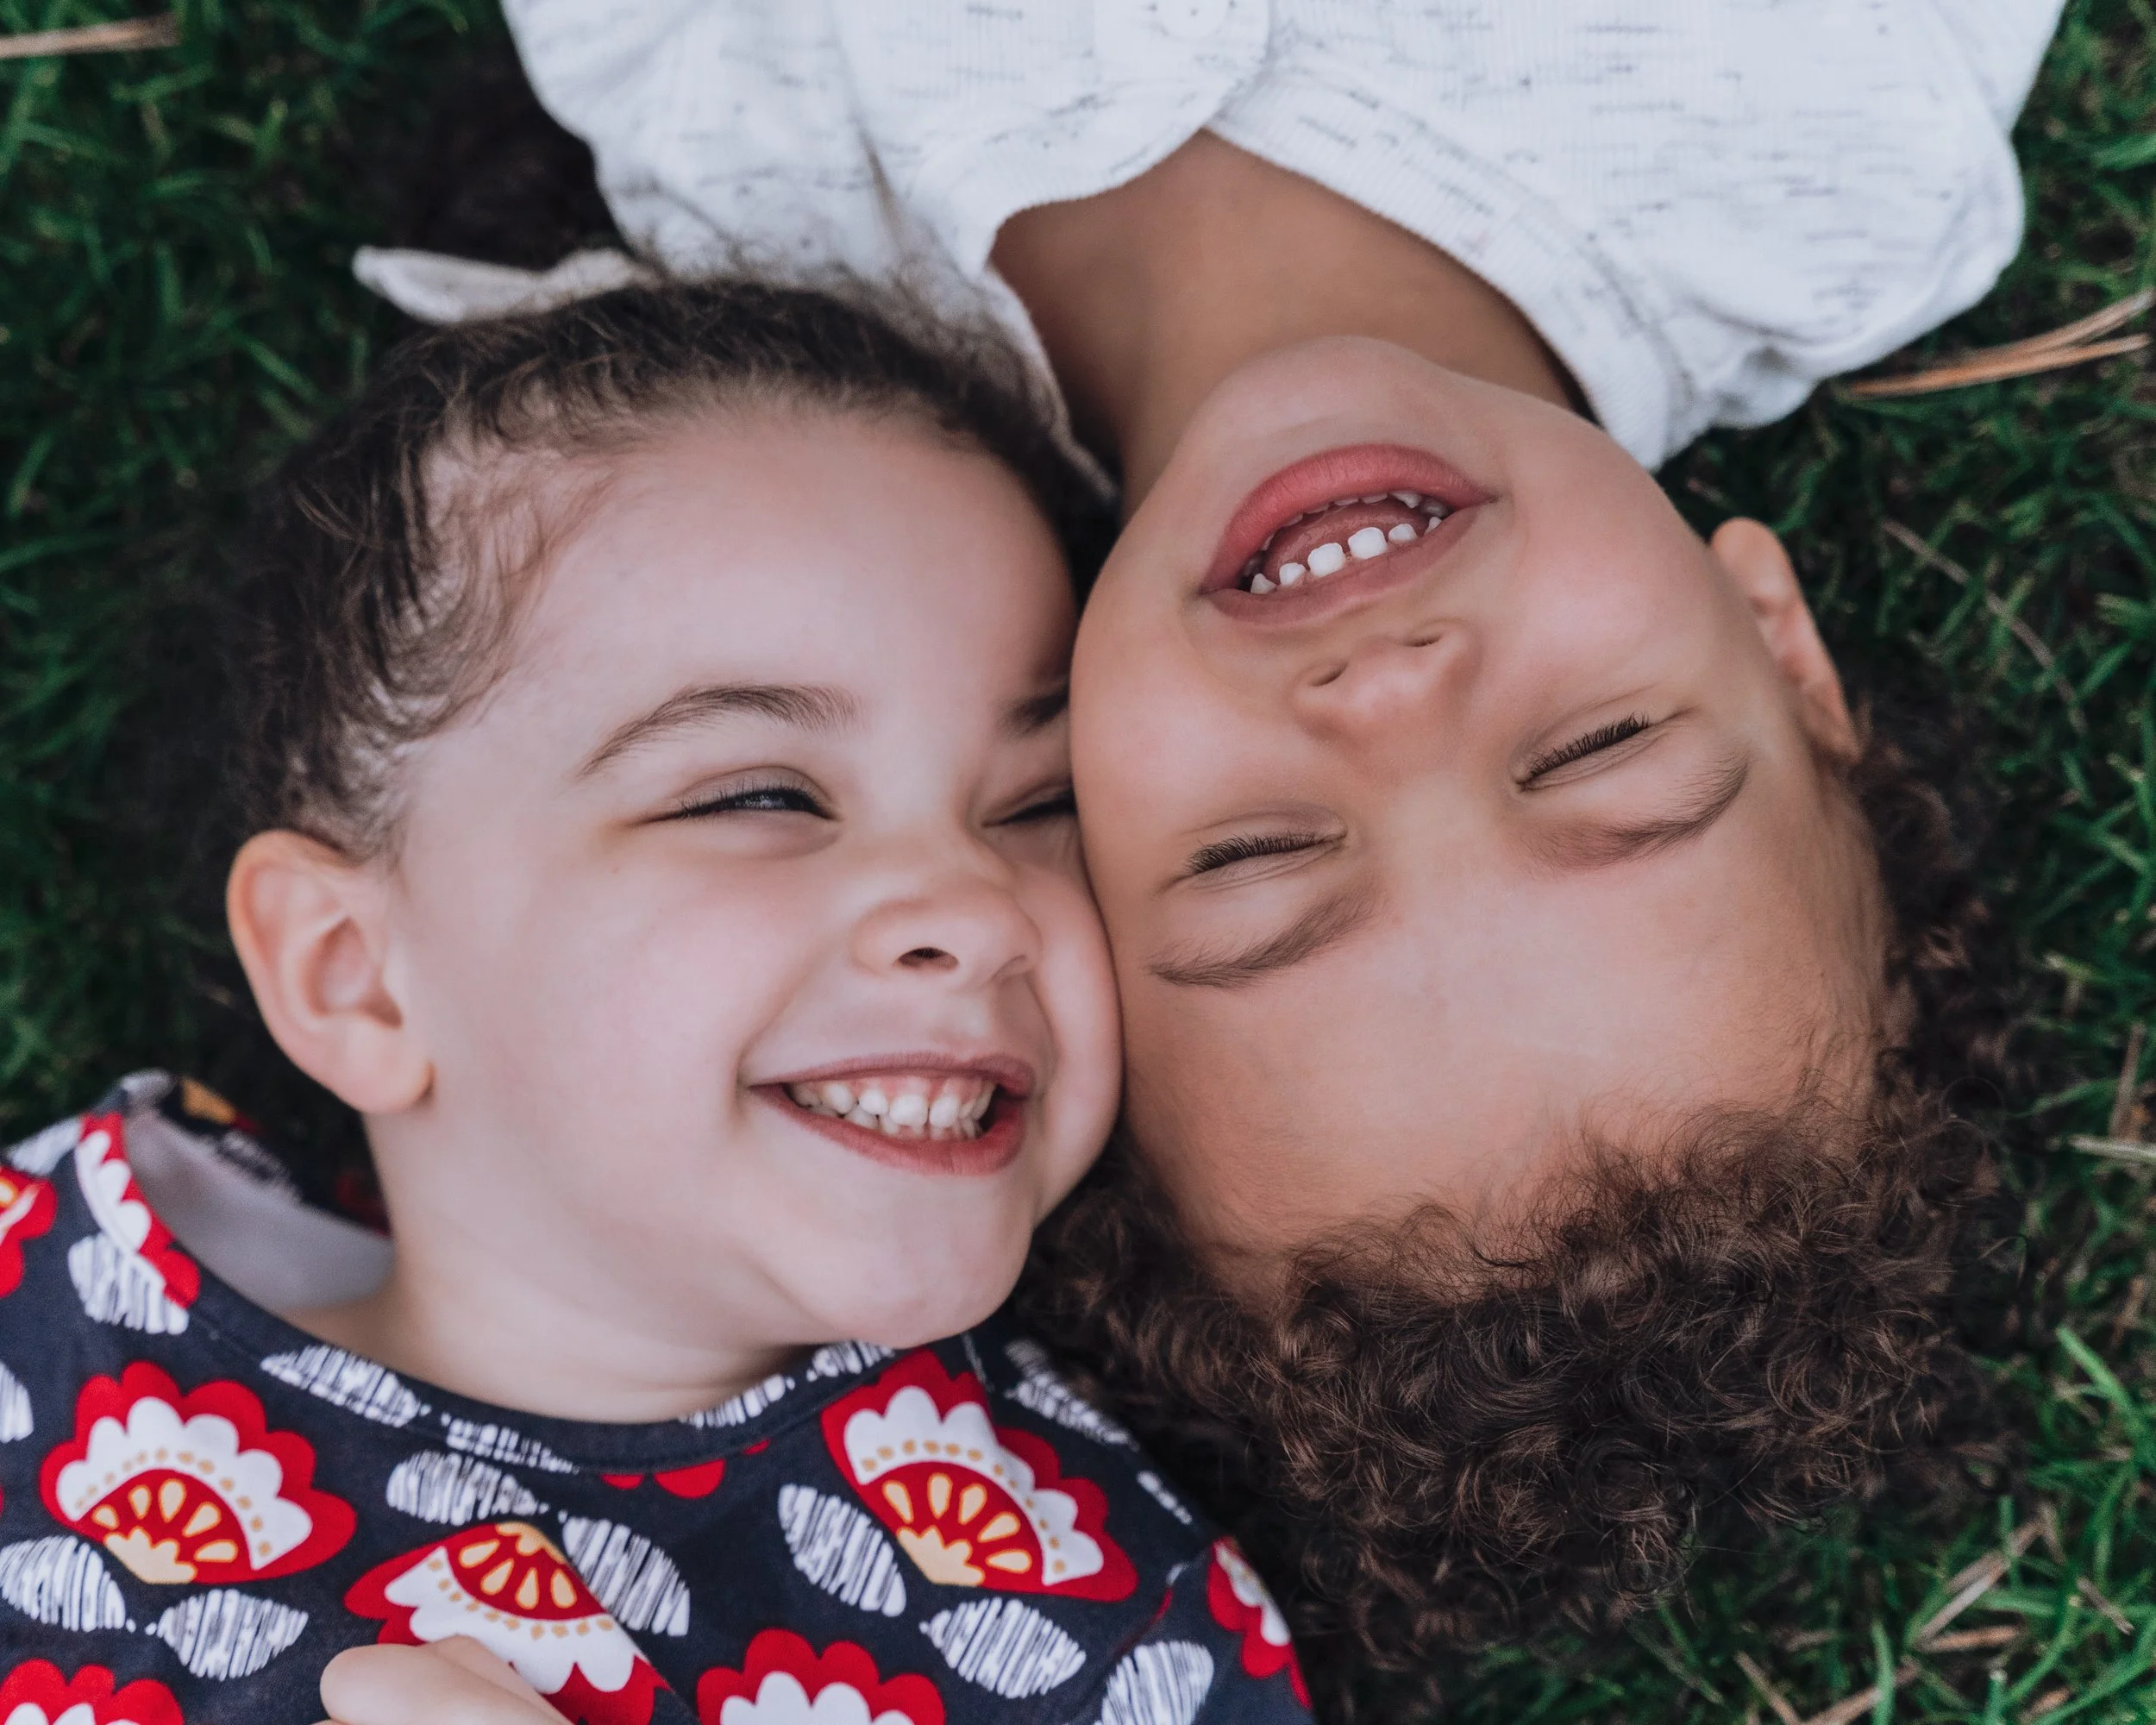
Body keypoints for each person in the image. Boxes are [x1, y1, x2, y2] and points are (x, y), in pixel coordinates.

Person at [346, 6, 2050, 1706]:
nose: (1389, 694)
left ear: (1067, 852)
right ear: (1781, 650)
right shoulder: (1832, 139)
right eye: (1598, 751)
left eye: (1252, 860)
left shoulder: (735, 206)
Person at [0, 280, 1313, 1725]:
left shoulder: (1113, 1640)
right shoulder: (42, 1306)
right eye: (759, 794)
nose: (976, 905)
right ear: (355, 975)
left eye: (1039, 805)